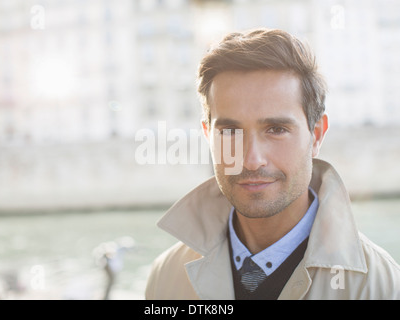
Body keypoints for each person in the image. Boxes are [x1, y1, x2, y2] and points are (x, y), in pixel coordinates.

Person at [145, 28, 400, 300]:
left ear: (316, 136)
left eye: (276, 129)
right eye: (230, 131)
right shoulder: (167, 278)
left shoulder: (379, 286)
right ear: (208, 135)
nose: (252, 160)